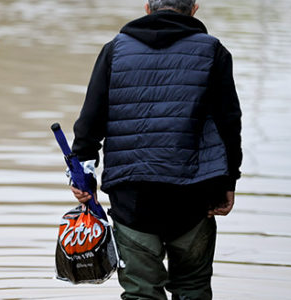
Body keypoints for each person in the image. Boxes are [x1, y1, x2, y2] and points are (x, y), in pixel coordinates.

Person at [69, 0, 242, 299]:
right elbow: (229, 124)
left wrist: (83, 176)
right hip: (194, 194)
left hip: (132, 194)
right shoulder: (213, 51)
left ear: (147, 8)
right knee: (192, 289)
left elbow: (90, 121)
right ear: (194, 9)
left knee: (141, 293)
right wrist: (228, 183)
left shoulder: (115, 50)